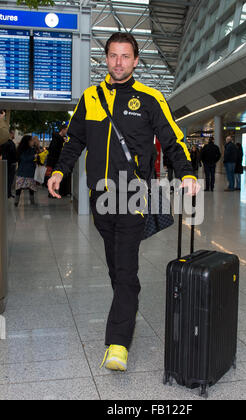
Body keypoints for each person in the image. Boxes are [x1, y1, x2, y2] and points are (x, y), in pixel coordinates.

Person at [48, 32, 198, 372]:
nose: (118, 62)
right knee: (117, 265)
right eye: (113, 56)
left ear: (135, 60)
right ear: (106, 58)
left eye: (125, 56)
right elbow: (74, 140)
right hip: (99, 197)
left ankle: (118, 342)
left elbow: (172, 138)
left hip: (133, 195)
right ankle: (127, 307)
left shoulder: (150, 97)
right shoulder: (90, 97)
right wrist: (60, 170)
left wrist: (187, 172)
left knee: (126, 267)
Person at [46, 124, 69, 197]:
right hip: (54, 162)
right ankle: (51, 193)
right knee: (54, 177)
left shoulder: (58, 138)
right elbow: (54, 150)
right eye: (66, 130)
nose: (67, 132)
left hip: (54, 161)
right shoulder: (58, 139)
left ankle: (53, 192)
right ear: (63, 129)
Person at [15, 135, 37, 207]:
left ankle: (32, 201)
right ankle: (16, 201)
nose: (32, 142)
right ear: (27, 141)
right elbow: (24, 159)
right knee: (19, 188)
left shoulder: (32, 149)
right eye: (31, 140)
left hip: (29, 171)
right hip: (23, 171)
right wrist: (34, 156)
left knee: (31, 188)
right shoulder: (22, 150)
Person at [0, 129, 17, 198]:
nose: (14, 135)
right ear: (10, 134)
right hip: (10, 163)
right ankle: (8, 193)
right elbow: (13, 154)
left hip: (6, 163)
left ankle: (7, 192)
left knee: (7, 179)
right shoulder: (10, 143)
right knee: (9, 179)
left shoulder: (4, 143)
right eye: (13, 134)